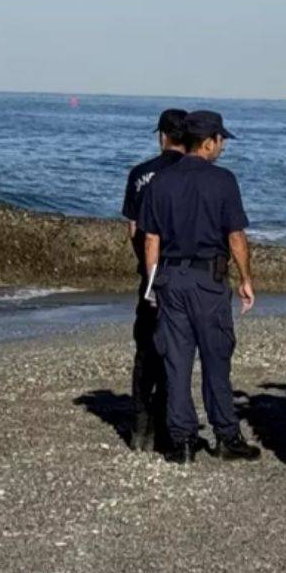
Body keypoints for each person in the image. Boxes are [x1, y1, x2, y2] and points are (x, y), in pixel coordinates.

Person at [138, 110, 262, 464]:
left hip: (171, 277)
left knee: (177, 361)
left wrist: (152, 284)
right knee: (215, 357)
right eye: (220, 140)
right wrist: (246, 278)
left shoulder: (160, 181)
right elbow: (235, 236)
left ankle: (182, 440)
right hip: (208, 279)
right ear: (208, 142)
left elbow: (151, 239)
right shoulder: (223, 181)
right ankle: (226, 435)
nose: (222, 146)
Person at [120, 108, 187, 452]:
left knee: (146, 349)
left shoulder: (140, 174)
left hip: (149, 272)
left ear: (162, 136)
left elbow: (133, 229)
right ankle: (167, 423)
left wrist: (145, 263)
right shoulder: (196, 174)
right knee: (178, 350)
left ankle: (140, 426)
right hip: (185, 271)